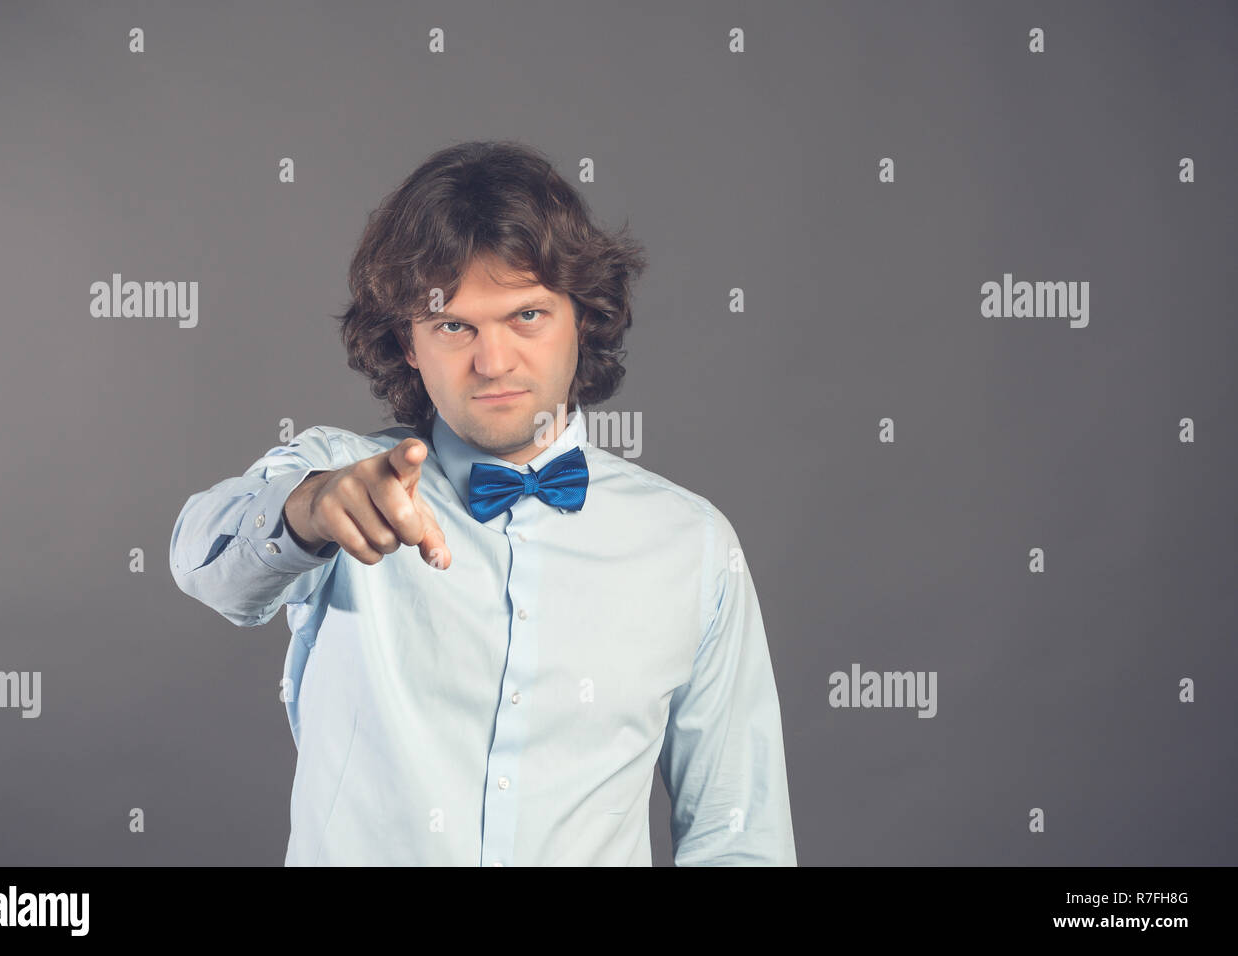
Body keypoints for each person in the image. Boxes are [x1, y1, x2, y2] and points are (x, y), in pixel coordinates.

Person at [169, 140, 796, 866]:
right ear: (407, 342)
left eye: (526, 316)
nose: (493, 363)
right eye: (453, 325)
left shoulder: (694, 546)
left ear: (583, 318)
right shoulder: (342, 476)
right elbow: (201, 560)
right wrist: (309, 510)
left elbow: (739, 835)